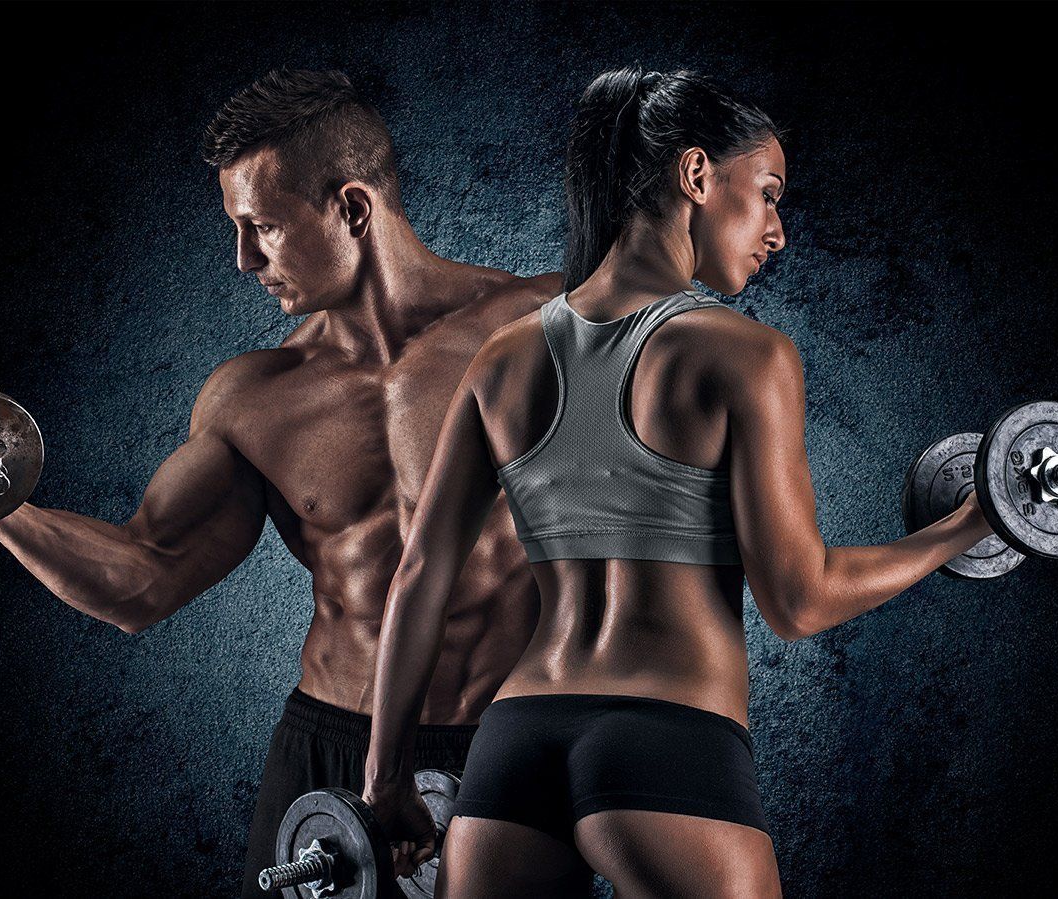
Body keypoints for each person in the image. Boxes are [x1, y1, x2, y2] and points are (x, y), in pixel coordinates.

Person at [361, 66, 996, 897]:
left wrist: (386, 780)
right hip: (668, 743)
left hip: (513, 748)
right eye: (767, 193)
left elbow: (419, 575)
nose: (777, 230)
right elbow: (799, 600)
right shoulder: (745, 355)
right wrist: (971, 523)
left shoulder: (501, 358)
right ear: (696, 175)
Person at [0, 69, 559, 896]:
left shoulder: (544, 328)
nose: (244, 259)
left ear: (352, 208)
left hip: (510, 744)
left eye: (263, 228)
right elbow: (144, 578)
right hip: (330, 748)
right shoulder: (255, 398)